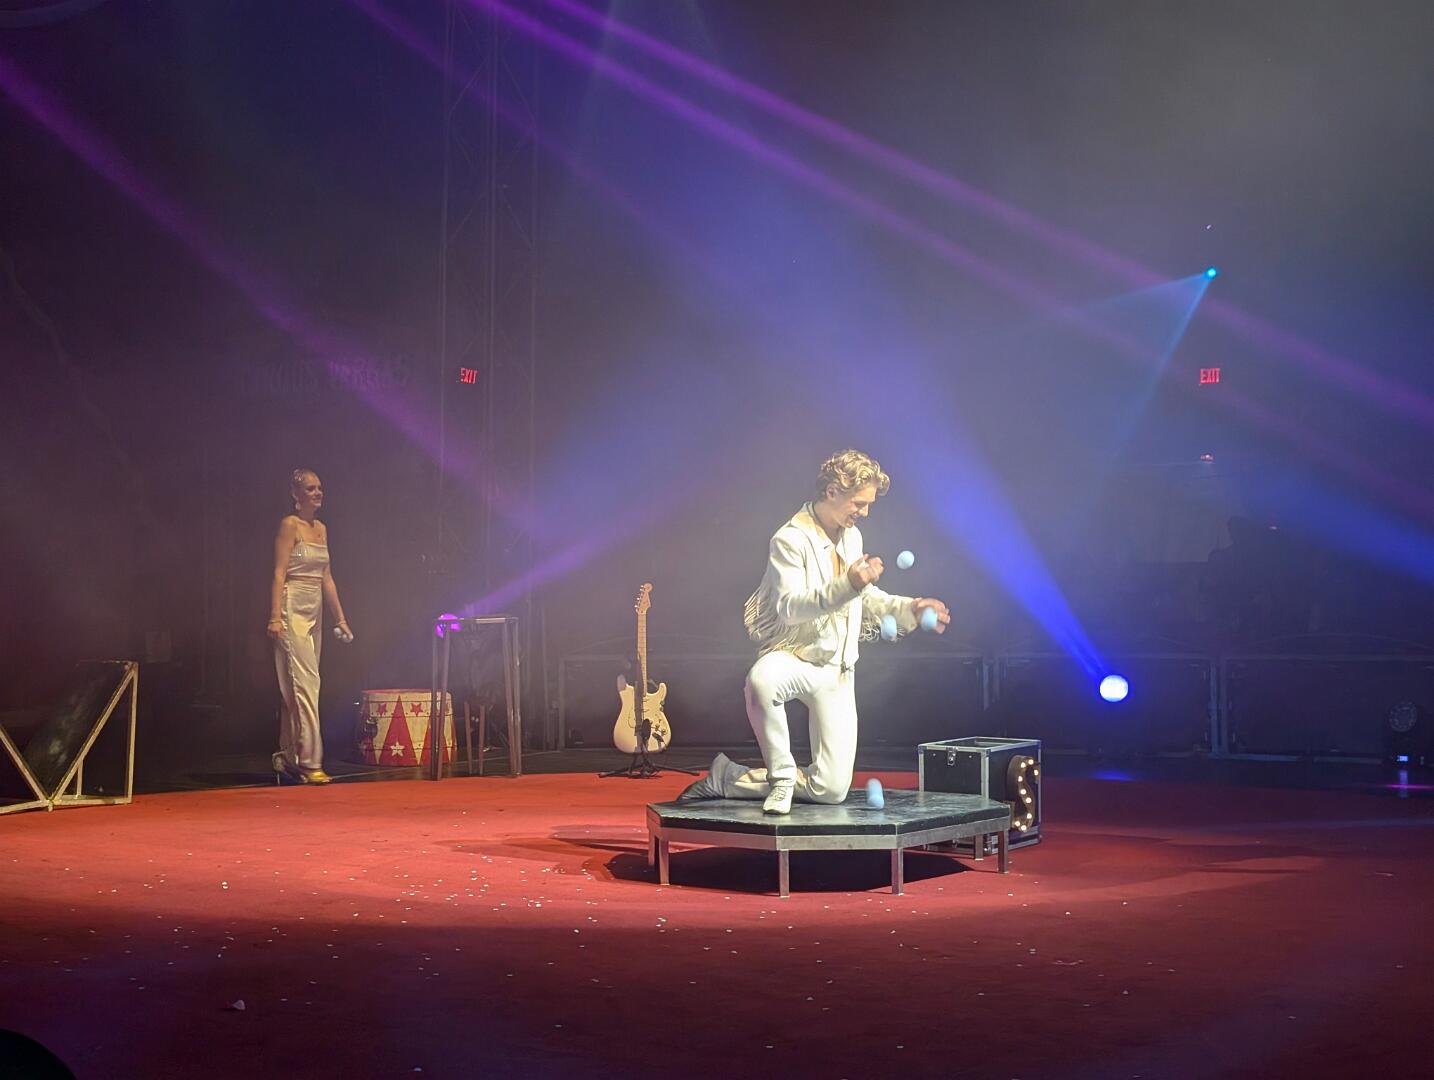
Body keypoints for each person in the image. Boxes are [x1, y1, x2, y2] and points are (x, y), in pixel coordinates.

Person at [681, 449, 950, 813]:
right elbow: (790, 608)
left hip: (836, 671)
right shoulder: (789, 540)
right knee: (761, 682)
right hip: (796, 657)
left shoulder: (852, 537)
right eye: (859, 503)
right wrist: (849, 583)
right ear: (833, 491)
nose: (864, 512)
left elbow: (864, 596)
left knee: (831, 790)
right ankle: (781, 777)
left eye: (868, 505)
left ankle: (729, 778)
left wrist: (910, 608)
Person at [268, 468, 352, 784]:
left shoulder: (322, 529)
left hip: (314, 608)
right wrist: (275, 616)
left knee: (297, 687)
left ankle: (287, 755)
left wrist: (340, 618)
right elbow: (279, 573)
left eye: (319, 488)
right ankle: (309, 760)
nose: (318, 493)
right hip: (292, 607)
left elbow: (327, 578)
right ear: (296, 494)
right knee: (306, 683)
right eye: (311, 488)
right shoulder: (289, 525)